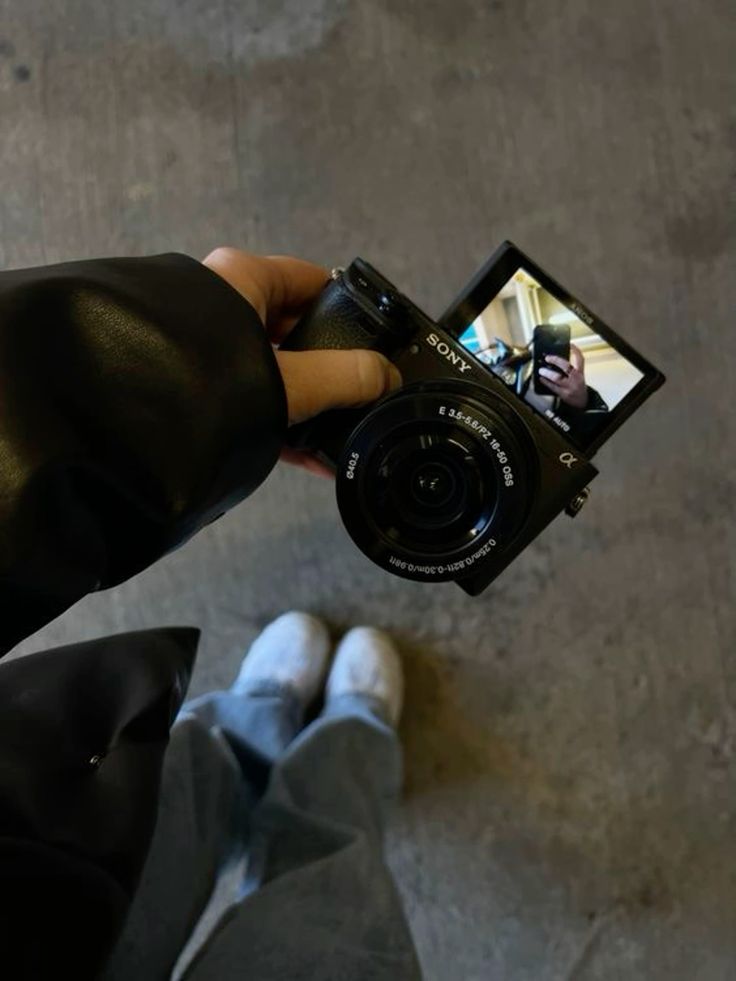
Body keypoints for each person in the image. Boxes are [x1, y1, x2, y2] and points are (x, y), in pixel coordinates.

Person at [0, 248, 420, 979]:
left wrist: (164, 384)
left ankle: (256, 720)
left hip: (23, 865)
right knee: (334, 907)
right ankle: (352, 737)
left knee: (175, 779)